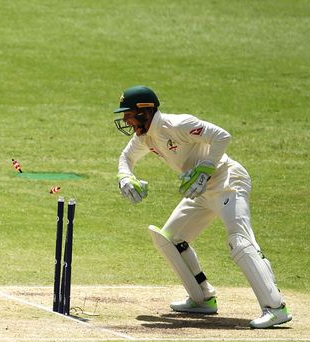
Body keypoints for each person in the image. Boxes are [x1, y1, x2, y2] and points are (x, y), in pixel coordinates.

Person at [113, 85, 291, 329]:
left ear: (145, 111)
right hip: (199, 190)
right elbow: (126, 158)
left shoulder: (177, 124)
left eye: (129, 114)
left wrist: (206, 167)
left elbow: (222, 136)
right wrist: (126, 177)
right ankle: (202, 299)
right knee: (170, 239)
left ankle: (275, 308)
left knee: (239, 240)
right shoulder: (145, 137)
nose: (125, 119)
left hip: (228, 181)